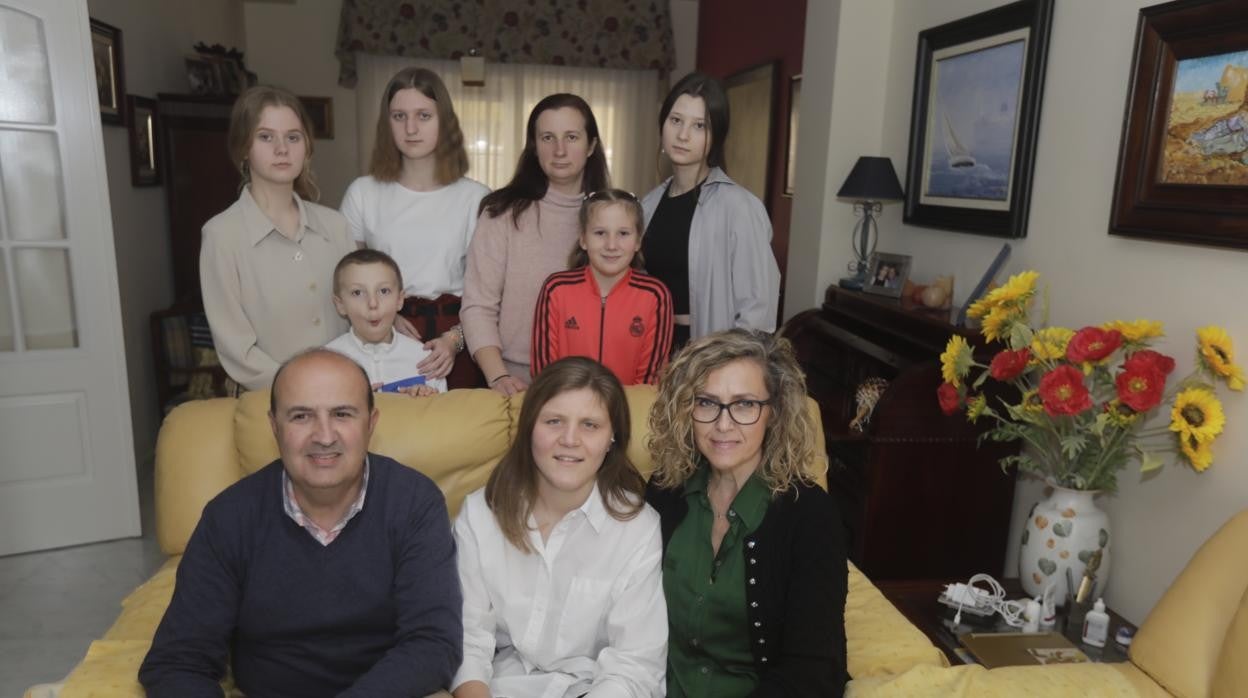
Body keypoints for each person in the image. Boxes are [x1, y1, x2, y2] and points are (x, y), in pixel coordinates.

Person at [138, 348, 463, 697]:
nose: (324, 436)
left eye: (342, 413)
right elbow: (177, 660)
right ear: (274, 427)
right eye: (301, 416)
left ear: (371, 424)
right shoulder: (230, 517)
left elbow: (433, 643)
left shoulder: (415, 504)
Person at [644, 329, 848, 697]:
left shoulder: (809, 516)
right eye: (706, 402)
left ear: (774, 412)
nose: (723, 424)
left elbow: (814, 670)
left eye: (744, 405)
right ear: (686, 410)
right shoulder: (664, 493)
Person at [451, 357, 667, 698]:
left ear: (613, 437)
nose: (570, 439)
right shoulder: (480, 514)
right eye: (554, 421)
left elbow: (634, 666)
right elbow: (467, 639)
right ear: (529, 428)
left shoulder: (638, 528)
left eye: (590, 425)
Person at [340, 67, 489, 389]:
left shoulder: (475, 198)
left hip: (457, 335)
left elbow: (489, 292)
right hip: (382, 328)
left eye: (423, 115)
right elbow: (345, 278)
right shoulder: (363, 193)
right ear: (386, 124)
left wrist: (454, 340)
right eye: (399, 116)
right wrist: (387, 319)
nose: (410, 128)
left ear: (444, 122)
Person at [200, 85, 356, 391]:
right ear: (244, 148)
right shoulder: (221, 236)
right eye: (266, 136)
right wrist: (305, 388)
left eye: (293, 137)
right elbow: (237, 351)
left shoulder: (336, 226)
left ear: (307, 147)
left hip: (345, 397)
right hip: (270, 407)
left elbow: (357, 316)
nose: (282, 148)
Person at [461, 94, 610, 395]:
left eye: (571, 137)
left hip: (589, 385)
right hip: (511, 383)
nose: (559, 150)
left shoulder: (611, 219)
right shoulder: (501, 213)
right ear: (534, 146)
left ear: (591, 145)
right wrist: (498, 377)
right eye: (547, 137)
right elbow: (478, 306)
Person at [640, 73, 781, 354]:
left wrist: (724, 366)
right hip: (651, 353)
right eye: (676, 120)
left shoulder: (739, 206)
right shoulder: (648, 204)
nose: (682, 135)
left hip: (709, 357)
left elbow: (757, 312)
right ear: (663, 123)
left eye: (699, 126)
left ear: (716, 136)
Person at [531, 189, 673, 386]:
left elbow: (649, 381)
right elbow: (544, 373)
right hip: (566, 408)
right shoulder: (556, 289)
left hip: (629, 411)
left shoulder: (655, 296)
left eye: (623, 233)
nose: (611, 245)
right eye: (600, 233)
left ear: (638, 241)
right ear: (583, 239)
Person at [325, 248, 447, 395]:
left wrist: (427, 402)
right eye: (357, 293)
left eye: (383, 291)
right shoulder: (324, 362)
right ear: (340, 305)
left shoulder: (425, 359)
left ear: (400, 300)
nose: (372, 303)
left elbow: (443, 415)